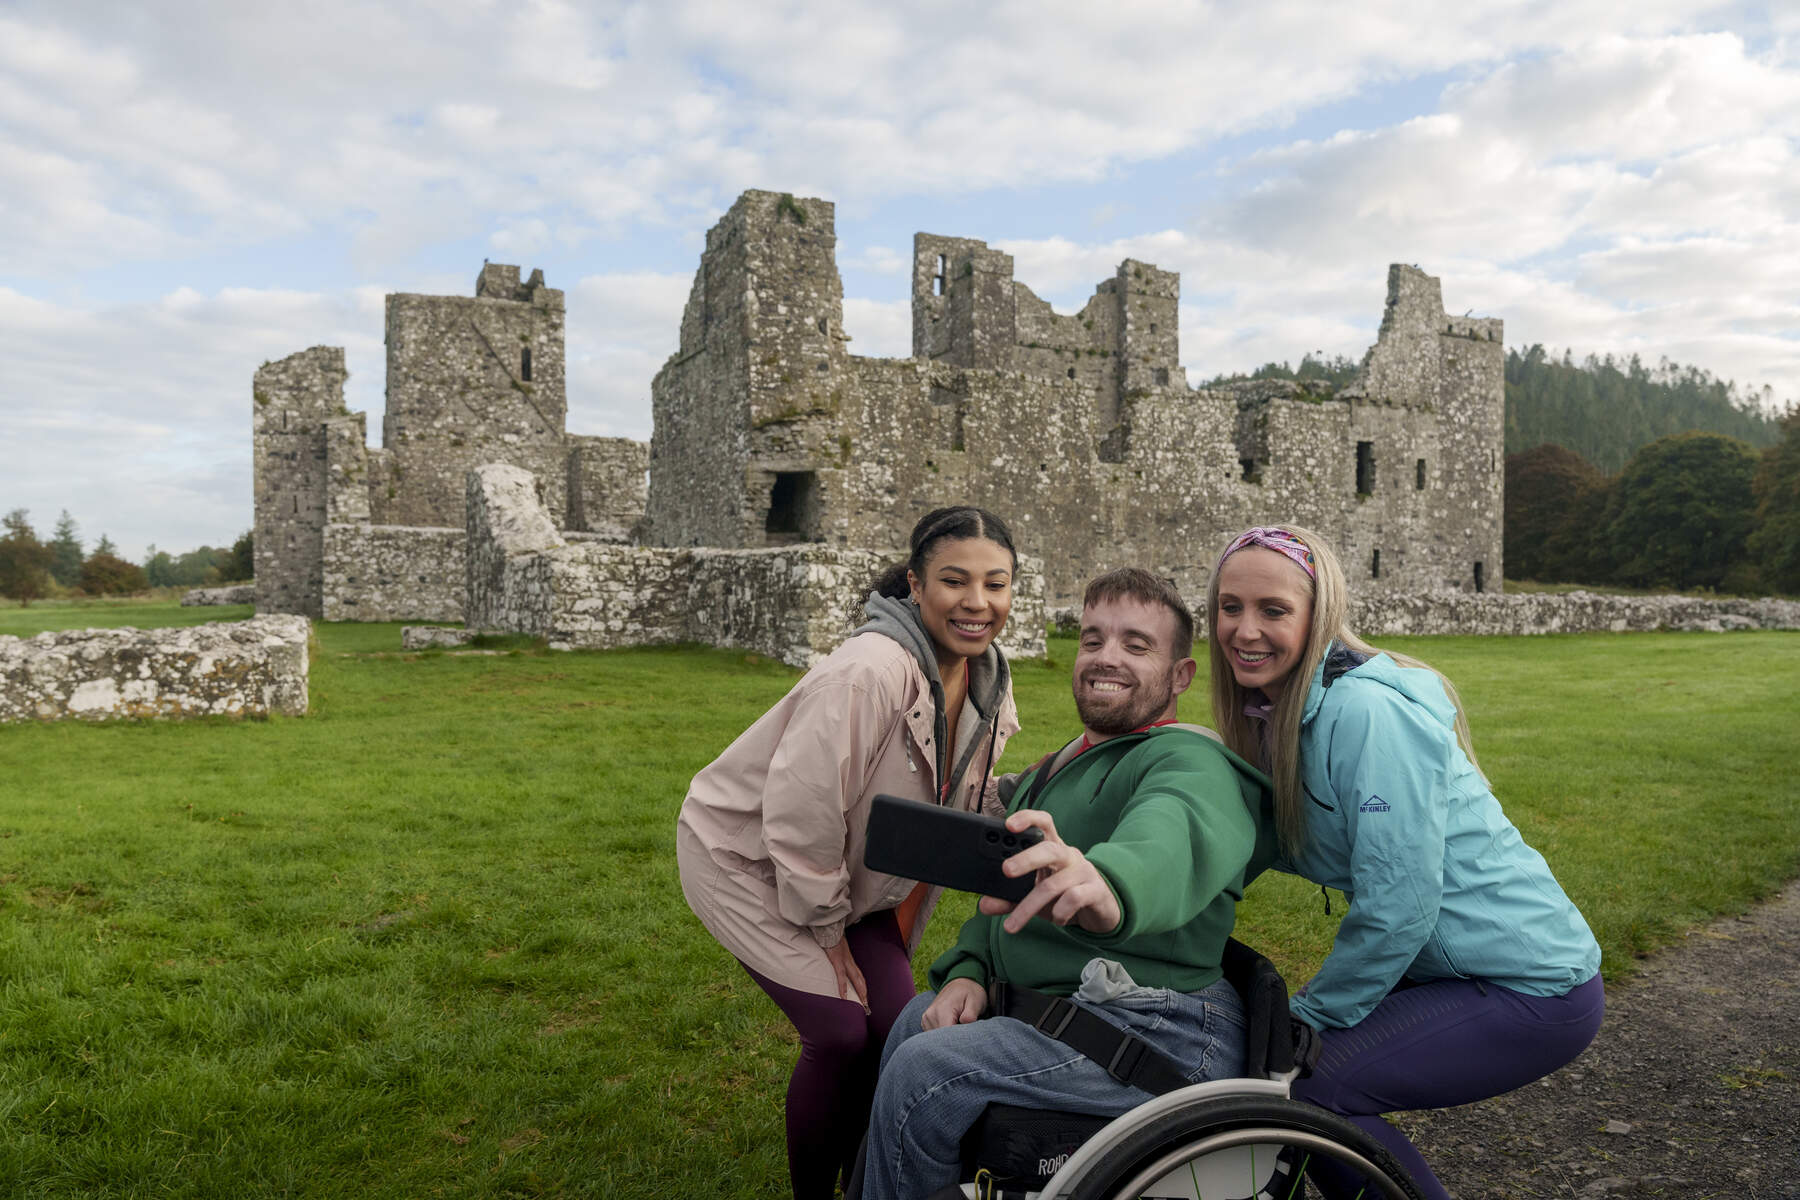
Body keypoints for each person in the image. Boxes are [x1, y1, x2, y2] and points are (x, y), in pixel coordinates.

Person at [1207, 525, 1604, 1200]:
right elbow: (1247, 841)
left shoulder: (1365, 713)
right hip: (1451, 970)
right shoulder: (1278, 712)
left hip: (1533, 986)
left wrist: (1314, 1012)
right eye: (1229, 606)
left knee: (1314, 1090)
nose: (1245, 630)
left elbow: (1403, 905)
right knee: (1281, 1076)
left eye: (1273, 610)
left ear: (1318, 616)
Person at [860, 568, 1269, 1200]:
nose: (1107, 658)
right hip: (1077, 1002)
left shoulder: (1192, 762)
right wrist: (968, 969)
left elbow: (1172, 834)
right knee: (917, 1020)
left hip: (1165, 1026)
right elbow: (1001, 904)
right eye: (1092, 639)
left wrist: (1108, 882)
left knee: (928, 1070)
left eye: (1137, 645)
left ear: (1180, 676)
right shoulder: (1052, 771)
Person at [676, 506, 1021, 1200]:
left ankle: (867, 1179)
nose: (977, 603)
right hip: (746, 857)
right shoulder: (869, 670)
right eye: (955, 581)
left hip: (849, 873)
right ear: (916, 585)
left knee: (899, 1031)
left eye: (997, 584)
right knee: (838, 1031)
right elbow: (801, 808)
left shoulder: (988, 679)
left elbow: (957, 797)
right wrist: (830, 935)